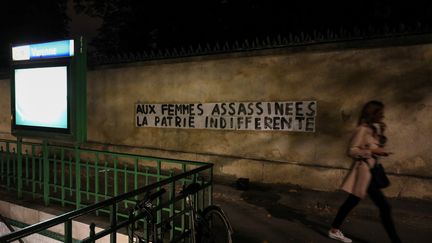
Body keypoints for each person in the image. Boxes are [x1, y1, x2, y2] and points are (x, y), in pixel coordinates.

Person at [328, 100, 402, 243]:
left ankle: (334, 230)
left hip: (371, 172)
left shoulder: (372, 129)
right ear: (372, 113)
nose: (383, 116)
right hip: (365, 173)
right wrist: (372, 151)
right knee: (384, 207)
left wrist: (381, 138)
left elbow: (375, 146)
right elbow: (351, 151)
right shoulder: (362, 129)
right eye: (380, 113)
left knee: (352, 202)